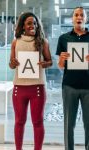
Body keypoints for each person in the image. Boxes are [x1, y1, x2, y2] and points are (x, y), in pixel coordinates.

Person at [9, 12, 52, 150]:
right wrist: (13, 62)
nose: (32, 25)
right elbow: (11, 64)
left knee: (38, 121)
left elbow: (50, 61)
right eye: (29, 23)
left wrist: (45, 64)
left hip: (37, 87)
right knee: (19, 121)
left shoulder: (43, 42)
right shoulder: (15, 42)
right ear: (22, 26)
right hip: (19, 87)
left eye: (34, 23)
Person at [56, 7, 89, 150]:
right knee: (69, 124)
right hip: (69, 85)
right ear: (72, 18)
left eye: (82, 15)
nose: (79, 17)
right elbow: (60, 67)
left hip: (88, 86)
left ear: (86, 19)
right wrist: (62, 59)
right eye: (76, 15)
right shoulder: (64, 38)